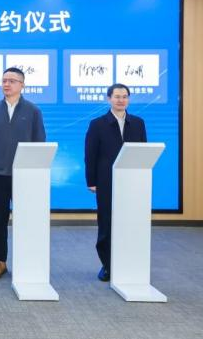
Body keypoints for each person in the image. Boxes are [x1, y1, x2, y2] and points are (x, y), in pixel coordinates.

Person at [0, 67, 46, 280]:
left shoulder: (33, 111)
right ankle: (0, 262)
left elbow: (40, 143)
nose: (7, 84)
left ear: (22, 85)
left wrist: (36, 172)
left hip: (24, 174)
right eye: (4, 80)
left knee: (26, 218)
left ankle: (27, 261)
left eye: (12, 81)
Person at [85, 83, 147, 282]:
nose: (121, 100)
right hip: (106, 180)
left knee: (129, 221)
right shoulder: (97, 124)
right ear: (109, 99)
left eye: (125, 96)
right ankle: (107, 265)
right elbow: (90, 155)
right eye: (117, 96)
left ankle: (128, 263)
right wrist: (91, 181)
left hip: (132, 181)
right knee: (107, 222)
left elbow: (143, 152)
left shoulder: (138, 123)